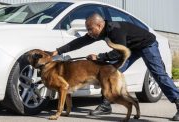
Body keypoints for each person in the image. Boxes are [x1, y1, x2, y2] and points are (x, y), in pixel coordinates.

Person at [51, 13, 179, 121]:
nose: (89, 32)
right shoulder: (98, 32)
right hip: (130, 48)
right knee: (110, 73)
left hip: (146, 45)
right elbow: (79, 42)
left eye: (90, 29)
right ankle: (106, 105)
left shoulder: (115, 29)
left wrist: (99, 57)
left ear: (99, 25)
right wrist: (58, 51)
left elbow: (118, 52)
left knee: (158, 75)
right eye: (87, 30)